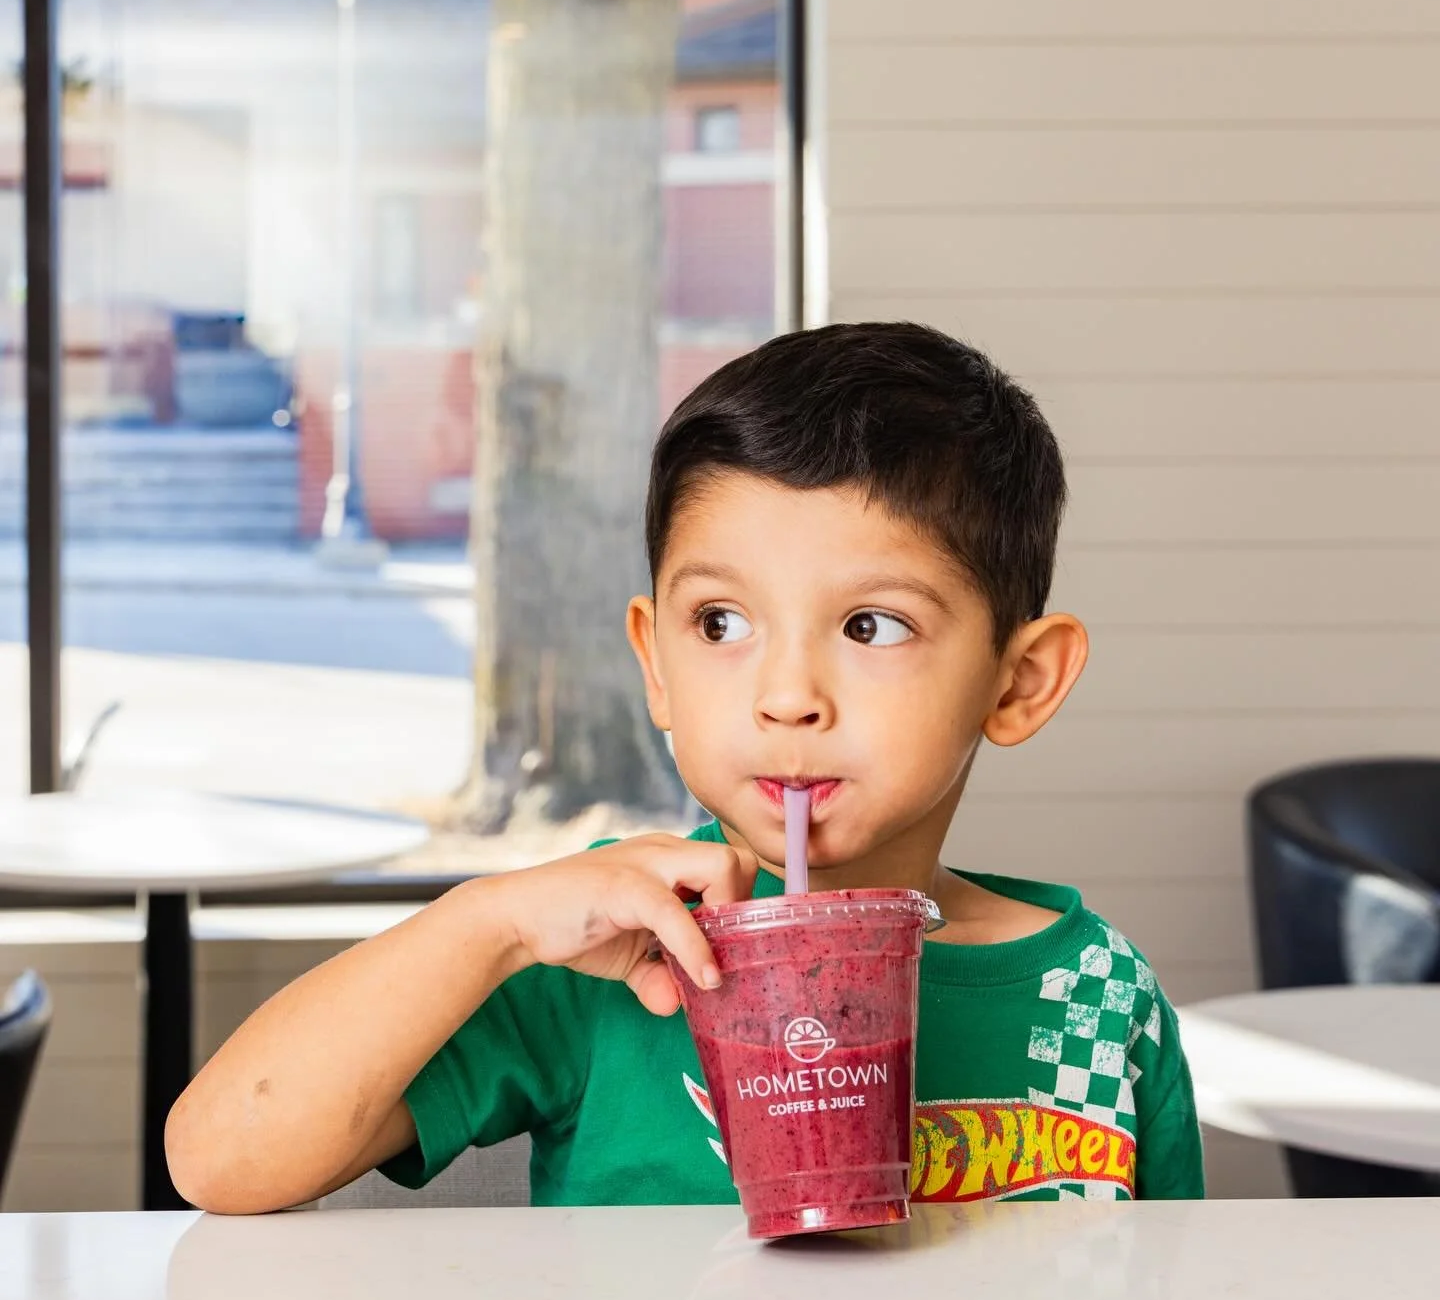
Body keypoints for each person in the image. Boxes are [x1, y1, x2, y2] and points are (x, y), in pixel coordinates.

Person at [166, 321, 1203, 1214]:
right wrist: (490, 923)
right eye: (721, 622)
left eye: (872, 624)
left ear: (1018, 683)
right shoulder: (606, 953)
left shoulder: (1097, 999)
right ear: (655, 664)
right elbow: (220, 1159)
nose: (786, 693)